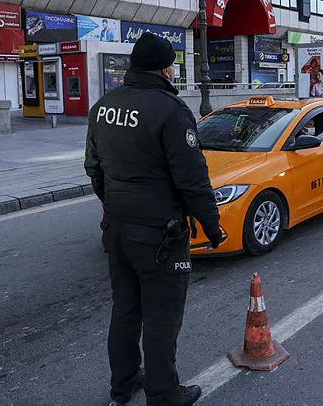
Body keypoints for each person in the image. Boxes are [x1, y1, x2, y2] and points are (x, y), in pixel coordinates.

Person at [85, 32, 222, 406]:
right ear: (164, 68)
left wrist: (113, 204)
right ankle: (163, 395)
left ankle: (123, 385)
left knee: (125, 310)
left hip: (117, 229)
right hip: (161, 235)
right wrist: (212, 226)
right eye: (172, 65)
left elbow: (93, 168)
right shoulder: (171, 110)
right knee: (161, 318)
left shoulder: (104, 106)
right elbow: (192, 179)